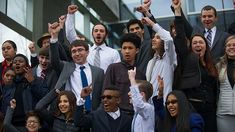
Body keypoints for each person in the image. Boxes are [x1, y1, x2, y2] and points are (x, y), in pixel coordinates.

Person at [173, 1, 218, 131]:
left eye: (201, 43)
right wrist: (177, 11)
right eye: (195, 43)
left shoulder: (211, 65)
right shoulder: (187, 60)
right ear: (191, 47)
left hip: (210, 110)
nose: (198, 45)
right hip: (192, 109)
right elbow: (180, 37)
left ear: (206, 46)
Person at [48, 21, 104, 118]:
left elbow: (101, 94)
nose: (77, 54)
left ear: (87, 52)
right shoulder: (67, 67)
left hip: (93, 114)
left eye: (80, 50)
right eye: (73, 51)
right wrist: (54, 37)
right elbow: (54, 61)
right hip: (72, 113)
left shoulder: (98, 72)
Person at [65, 5, 121, 72]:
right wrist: (70, 14)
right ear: (92, 34)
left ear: (106, 36)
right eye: (96, 31)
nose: (98, 33)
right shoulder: (86, 50)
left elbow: (117, 73)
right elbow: (70, 35)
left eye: (101, 31)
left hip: (106, 82)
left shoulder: (113, 53)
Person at [103, 33, 146, 116]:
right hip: (117, 115)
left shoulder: (141, 74)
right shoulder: (113, 68)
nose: (127, 51)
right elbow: (105, 94)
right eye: (124, 48)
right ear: (121, 50)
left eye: (130, 48)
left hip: (136, 116)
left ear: (137, 50)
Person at [142, 16, 177, 103]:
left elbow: (169, 39)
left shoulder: (170, 58)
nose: (153, 40)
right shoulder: (151, 62)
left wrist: (151, 23)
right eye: (153, 37)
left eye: (157, 38)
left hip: (165, 103)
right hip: (150, 105)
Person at [9, 54, 48, 129]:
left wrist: (32, 82)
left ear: (27, 66)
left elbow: (44, 97)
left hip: (30, 125)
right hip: (12, 125)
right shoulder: (9, 84)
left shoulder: (37, 80)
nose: (17, 63)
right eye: (15, 62)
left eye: (20, 61)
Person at [216, 35, 235, 132]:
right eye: (229, 45)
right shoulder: (219, 65)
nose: (231, 47)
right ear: (225, 48)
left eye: (234, 45)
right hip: (223, 114)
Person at [128, 67, 155, 132]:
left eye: (131, 91)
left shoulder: (148, 108)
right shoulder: (138, 111)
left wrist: (132, 78)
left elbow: (138, 104)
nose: (128, 93)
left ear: (142, 95)